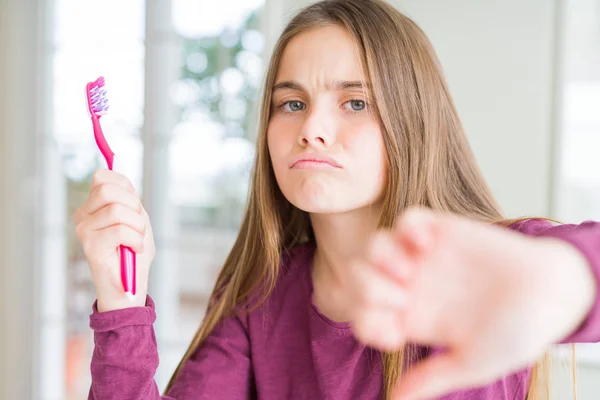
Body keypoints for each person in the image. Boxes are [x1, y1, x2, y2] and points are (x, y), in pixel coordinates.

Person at [75, 0, 600, 399]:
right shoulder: (257, 295)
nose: (313, 129)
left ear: (412, 120)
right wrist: (121, 302)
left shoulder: (492, 259)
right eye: (292, 102)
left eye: (354, 101)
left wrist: (560, 281)